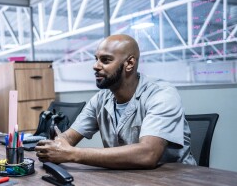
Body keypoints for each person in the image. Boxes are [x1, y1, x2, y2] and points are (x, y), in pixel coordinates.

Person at [35, 34, 197, 169]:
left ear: (129, 64)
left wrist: (71, 154)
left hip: (175, 182)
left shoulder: (162, 94)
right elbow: (68, 138)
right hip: (127, 180)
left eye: (105, 60)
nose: (95, 66)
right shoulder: (100, 99)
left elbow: (148, 154)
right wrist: (59, 144)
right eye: (96, 59)